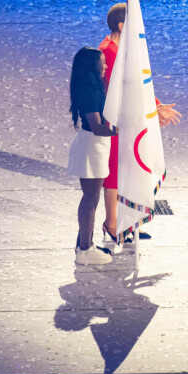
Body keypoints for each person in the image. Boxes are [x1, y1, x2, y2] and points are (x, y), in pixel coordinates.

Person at [98, 3, 181, 245]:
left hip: (129, 119)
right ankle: (112, 223)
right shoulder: (110, 51)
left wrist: (157, 105)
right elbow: (125, 90)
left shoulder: (122, 50)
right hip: (117, 121)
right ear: (122, 26)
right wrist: (153, 110)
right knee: (114, 172)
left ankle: (128, 221)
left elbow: (139, 82)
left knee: (130, 168)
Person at [67, 47, 116, 266]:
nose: (105, 66)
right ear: (92, 67)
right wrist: (123, 131)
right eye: (102, 63)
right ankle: (85, 249)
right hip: (92, 147)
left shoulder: (91, 88)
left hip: (95, 146)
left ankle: (85, 244)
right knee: (90, 198)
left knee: (92, 198)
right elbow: (97, 127)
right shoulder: (90, 92)